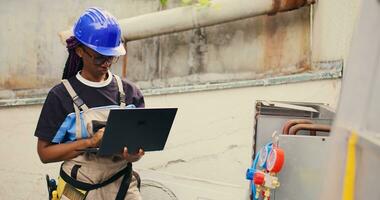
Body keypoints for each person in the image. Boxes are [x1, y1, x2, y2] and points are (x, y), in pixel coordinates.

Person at [34, 7, 145, 200]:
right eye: (99, 56)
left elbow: (138, 147)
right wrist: (90, 142)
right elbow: (45, 154)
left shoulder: (129, 93)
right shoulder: (61, 96)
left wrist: (133, 155)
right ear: (79, 51)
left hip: (121, 183)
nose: (106, 63)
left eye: (111, 56)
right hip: (77, 188)